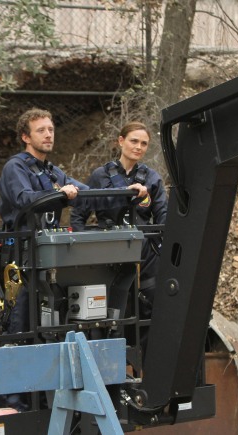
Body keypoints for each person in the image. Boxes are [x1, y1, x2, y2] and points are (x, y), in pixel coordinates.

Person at [0, 108, 146, 412]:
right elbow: (25, 200)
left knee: (52, 327)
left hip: (46, 260)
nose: (48, 134)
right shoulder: (16, 168)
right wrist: (61, 195)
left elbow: (90, 195)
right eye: (41, 130)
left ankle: (48, 398)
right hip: (20, 260)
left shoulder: (51, 172)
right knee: (20, 331)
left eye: (51, 129)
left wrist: (126, 193)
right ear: (26, 136)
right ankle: (15, 403)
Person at [70, 121, 167, 353]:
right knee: (106, 315)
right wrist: (84, 249)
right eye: (134, 141)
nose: (139, 147)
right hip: (108, 253)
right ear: (121, 141)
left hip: (144, 257)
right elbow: (78, 216)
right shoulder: (100, 176)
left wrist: (157, 244)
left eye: (144, 143)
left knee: (149, 313)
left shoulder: (151, 178)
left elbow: (163, 216)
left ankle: (150, 369)